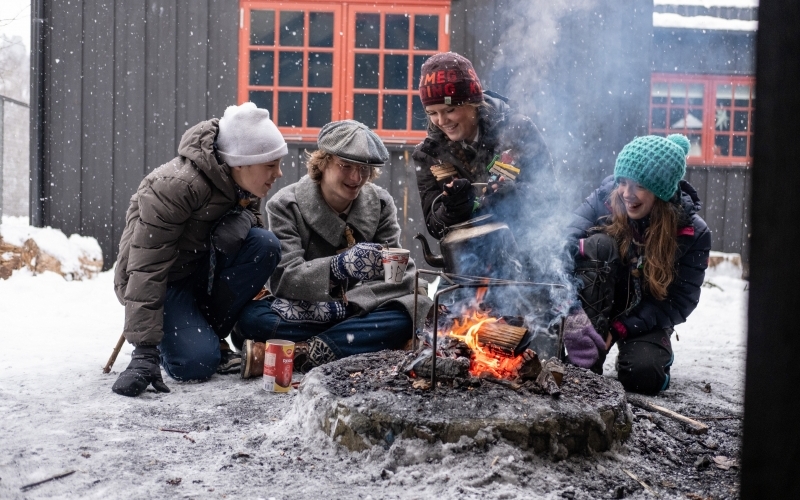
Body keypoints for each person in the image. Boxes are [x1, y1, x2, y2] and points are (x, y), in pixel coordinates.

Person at [111, 102, 287, 397]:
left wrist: (241, 220)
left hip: (202, 271)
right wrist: (145, 351)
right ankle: (188, 344)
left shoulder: (245, 184)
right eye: (271, 165)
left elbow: (252, 237)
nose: (278, 173)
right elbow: (146, 267)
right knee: (196, 364)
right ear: (240, 161)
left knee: (265, 245)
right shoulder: (175, 186)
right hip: (165, 281)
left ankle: (204, 333)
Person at [236, 120, 433, 376]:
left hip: (362, 310)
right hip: (307, 311)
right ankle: (358, 342)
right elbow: (286, 278)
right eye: (346, 166)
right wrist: (339, 267)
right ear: (324, 161)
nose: (356, 177)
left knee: (413, 310)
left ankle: (301, 353)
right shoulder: (285, 204)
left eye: (364, 168)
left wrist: (353, 304)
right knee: (252, 318)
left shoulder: (381, 203)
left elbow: (398, 276)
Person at [563, 134, 711, 394]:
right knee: (597, 244)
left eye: (639, 186)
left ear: (661, 190)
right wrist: (572, 312)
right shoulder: (604, 200)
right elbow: (561, 247)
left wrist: (621, 328)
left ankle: (651, 354)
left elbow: (679, 301)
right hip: (598, 301)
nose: (626, 194)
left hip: (646, 315)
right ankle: (589, 353)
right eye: (622, 182)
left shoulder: (692, 233)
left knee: (643, 376)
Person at [413, 52, 554, 240]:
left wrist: (515, 198)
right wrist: (453, 208)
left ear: (473, 102)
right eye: (432, 113)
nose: (441, 121)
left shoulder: (518, 131)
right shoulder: (428, 154)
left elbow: (550, 200)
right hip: (464, 262)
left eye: (450, 110)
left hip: (525, 252)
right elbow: (435, 227)